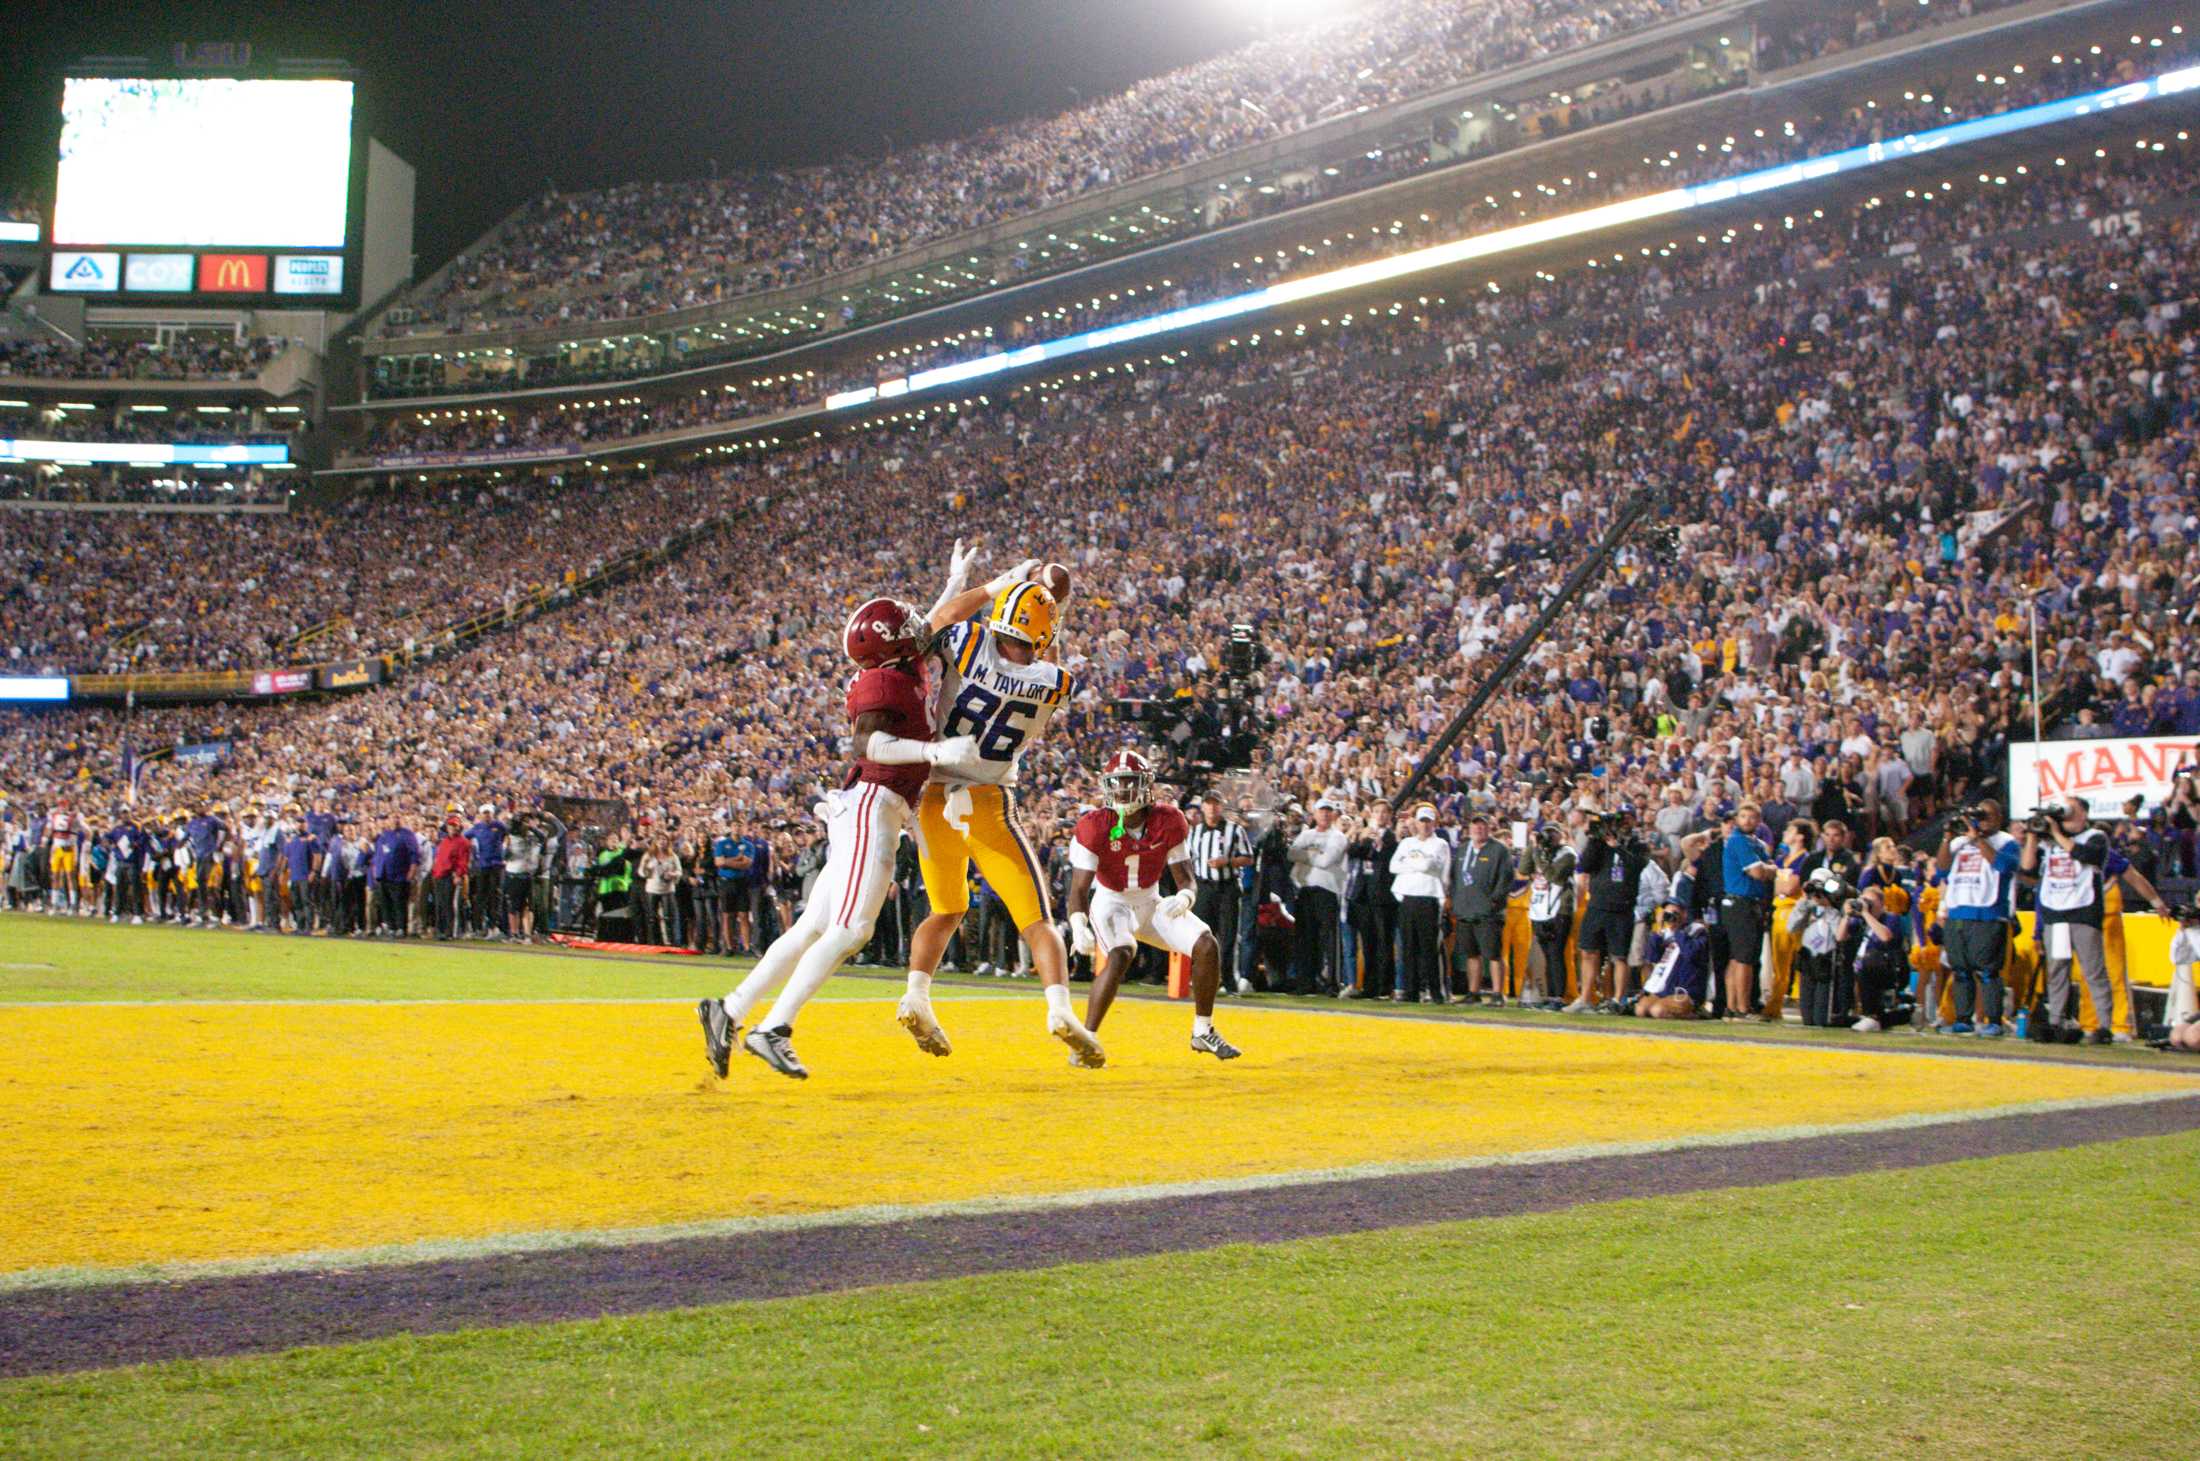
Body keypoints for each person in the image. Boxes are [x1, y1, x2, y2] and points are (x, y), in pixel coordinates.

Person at [702, 549, 995, 1080]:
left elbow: (935, 619)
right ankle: (775, 1028)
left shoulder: (897, 661)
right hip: (873, 803)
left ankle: (730, 1010)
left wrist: (959, 580)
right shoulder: (880, 684)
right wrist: (933, 753)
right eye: (902, 625)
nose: (914, 624)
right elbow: (869, 745)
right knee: (852, 927)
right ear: (888, 646)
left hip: (874, 806)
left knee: (815, 924)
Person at [902, 555, 1109, 1068]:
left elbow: (941, 618)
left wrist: (999, 586)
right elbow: (1049, 653)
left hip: (932, 796)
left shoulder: (968, 644)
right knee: (1037, 920)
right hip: (988, 802)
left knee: (946, 909)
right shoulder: (1053, 682)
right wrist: (1051, 607)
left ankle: (915, 996)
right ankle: (1059, 1008)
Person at [1065, 749, 1240, 1060]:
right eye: (1117, 782)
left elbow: (1186, 877)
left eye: (1130, 781)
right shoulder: (1094, 825)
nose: (1122, 789)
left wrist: (1186, 897)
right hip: (1111, 902)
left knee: (1206, 944)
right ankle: (1086, 1040)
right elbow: (1078, 889)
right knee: (1121, 953)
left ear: (1146, 785)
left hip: (1150, 900)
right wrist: (1078, 924)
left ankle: (1203, 1031)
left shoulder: (1168, 820)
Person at [2022, 797, 2115, 1044]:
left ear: (2082, 813)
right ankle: (2055, 1021)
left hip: (2083, 911)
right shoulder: (2051, 840)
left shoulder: (2095, 836)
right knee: (2057, 970)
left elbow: (2086, 855)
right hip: (2056, 911)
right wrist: (2032, 835)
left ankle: (2104, 1025)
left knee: (2093, 970)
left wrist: (2055, 832)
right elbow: (2027, 865)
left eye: (2071, 808)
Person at [1935, 799, 2021, 1036]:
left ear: (1998, 819)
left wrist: (1979, 838)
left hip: (1989, 914)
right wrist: (1947, 837)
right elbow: (1941, 870)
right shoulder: (1960, 843)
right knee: (1960, 970)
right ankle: (1963, 1019)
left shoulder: (2007, 842)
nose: (1981, 820)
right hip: (1958, 912)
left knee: (1988, 971)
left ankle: (1994, 1020)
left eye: (1986, 816)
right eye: (1978, 816)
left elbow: (2004, 866)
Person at [1568, 813, 1644, 1014]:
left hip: (1622, 908)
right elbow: (1584, 865)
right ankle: (1585, 998)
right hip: (1597, 905)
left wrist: (1617, 846)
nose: (1618, 826)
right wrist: (1594, 839)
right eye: (1613, 823)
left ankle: (1618, 999)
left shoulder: (1637, 844)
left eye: (1621, 822)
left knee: (1619, 956)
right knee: (1588, 950)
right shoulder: (1599, 844)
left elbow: (1636, 867)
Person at [1187, 792, 1253, 993]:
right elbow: (1188, 858)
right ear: (1203, 807)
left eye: (1216, 804)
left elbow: (1248, 858)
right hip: (1204, 887)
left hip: (1227, 887)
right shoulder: (1195, 832)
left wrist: (1228, 862)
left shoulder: (1235, 830)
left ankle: (1228, 981)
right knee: (1200, 935)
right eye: (1208, 804)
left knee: (1228, 935)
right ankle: (1201, 977)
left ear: (1222, 806)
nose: (1212, 808)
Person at [1719, 801, 1776, 1021]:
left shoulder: (1755, 842)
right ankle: (1743, 1009)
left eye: (1752, 817)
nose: (1747, 821)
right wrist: (1771, 869)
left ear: (1759, 821)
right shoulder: (1739, 841)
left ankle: (1732, 1007)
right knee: (1744, 958)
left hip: (1744, 903)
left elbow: (1765, 867)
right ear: (1737, 819)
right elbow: (1758, 873)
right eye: (1743, 817)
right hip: (1741, 903)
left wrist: (1767, 868)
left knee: (1737, 958)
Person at [1448, 812, 1513, 1005]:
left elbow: (1506, 879)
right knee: (1471, 953)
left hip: (1488, 912)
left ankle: (1497, 994)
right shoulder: (1461, 850)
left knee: (1493, 954)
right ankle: (1473, 992)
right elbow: (1454, 878)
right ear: (1469, 828)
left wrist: (1494, 901)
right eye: (1475, 825)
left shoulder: (1499, 850)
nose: (1478, 828)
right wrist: (1455, 900)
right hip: (1465, 910)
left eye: (1482, 825)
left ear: (1489, 828)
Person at [1390, 803, 1450, 1003]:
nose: (1424, 825)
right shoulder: (1407, 843)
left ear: (1434, 823)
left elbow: (1429, 865)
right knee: (1408, 948)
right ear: (1415, 822)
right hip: (1407, 897)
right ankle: (1411, 991)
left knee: (1428, 949)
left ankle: (1435, 992)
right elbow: (1393, 866)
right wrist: (1417, 866)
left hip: (1429, 898)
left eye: (1428, 821)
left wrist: (1409, 864)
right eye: (1422, 821)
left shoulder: (1439, 844)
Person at [1288, 798, 1348, 995]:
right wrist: (1315, 855)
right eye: (1321, 811)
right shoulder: (1307, 834)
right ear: (1314, 814)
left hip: (1328, 890)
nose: (1325, 814)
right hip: (1306, 890)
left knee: (1328, 940)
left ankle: (1331, 983)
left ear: (1334, 814)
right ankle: (1305, 982)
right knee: (1305, 938)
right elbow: (1291, 853)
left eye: (1328, 811)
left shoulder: (1338, 836)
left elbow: (1327, 860)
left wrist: (1306, 855)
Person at [1345, 801, 1398, 998]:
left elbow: (1388, 860)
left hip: (1383, 896)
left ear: (1390, 816)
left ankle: (1385, 986)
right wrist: (1359, 837)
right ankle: (1369, 985)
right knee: (1367, 943)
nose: (1380, 815)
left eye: (1384, 812)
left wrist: (1379, 843)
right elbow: (1352, 853)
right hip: (1363, 894)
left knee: (1384, 942)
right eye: (1376, 812)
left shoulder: (1393, 838)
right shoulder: (1367, 836)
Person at [1842, 885, 1912, 1033]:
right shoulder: (1859, 921)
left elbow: (1885, 937)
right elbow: (1839, 937)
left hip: (1888, 968)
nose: (1867, 904)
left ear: (1881, 904)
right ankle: (1868, 1016)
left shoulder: (1892, 918)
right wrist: (1847, 915)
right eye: (1864, 900)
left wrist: (1868, 914)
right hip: (1862, 967)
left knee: (1869, 961)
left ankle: (1871, 1015)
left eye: (1871, 901)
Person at [1631, 900, 1711, 1020]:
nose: (1670, 917)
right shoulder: (1665, 934)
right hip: (1665, 989)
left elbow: (1689, 953)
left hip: (1686, 991)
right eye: (1667, 913)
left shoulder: (1697, 932)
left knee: (1658, 1011)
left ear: (1684, 914)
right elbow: (1652, 958)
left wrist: (1678, 931)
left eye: (1674, 913)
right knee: (1640, 1010)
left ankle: (1696, 1013)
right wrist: (1658, 930)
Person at [1524, 823, 1576, 1008]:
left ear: (1560, 835)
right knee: (1547, 954)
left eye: (1553, 833)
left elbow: (1553, 876)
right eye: (1546, 833)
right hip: (1540, 909)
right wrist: (1532, 846)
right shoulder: (1541, 852)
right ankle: (1550, 995)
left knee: (1556, 953)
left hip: (1559, 909)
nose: (1549, 837)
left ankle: (1558, 997)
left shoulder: (1568, 853)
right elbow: (1523, 869)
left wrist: (1538, 854)